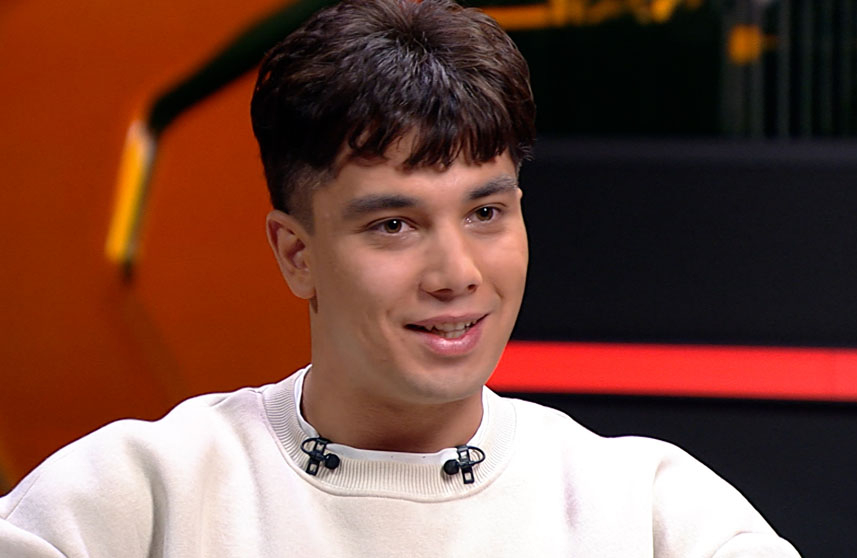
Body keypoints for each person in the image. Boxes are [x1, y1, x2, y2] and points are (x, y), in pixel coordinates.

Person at [1, 1, 800, 556]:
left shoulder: (653, 514)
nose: (456, 274)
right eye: (394, 225)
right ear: (296, 254)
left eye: (484, 213)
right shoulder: (135, 501)